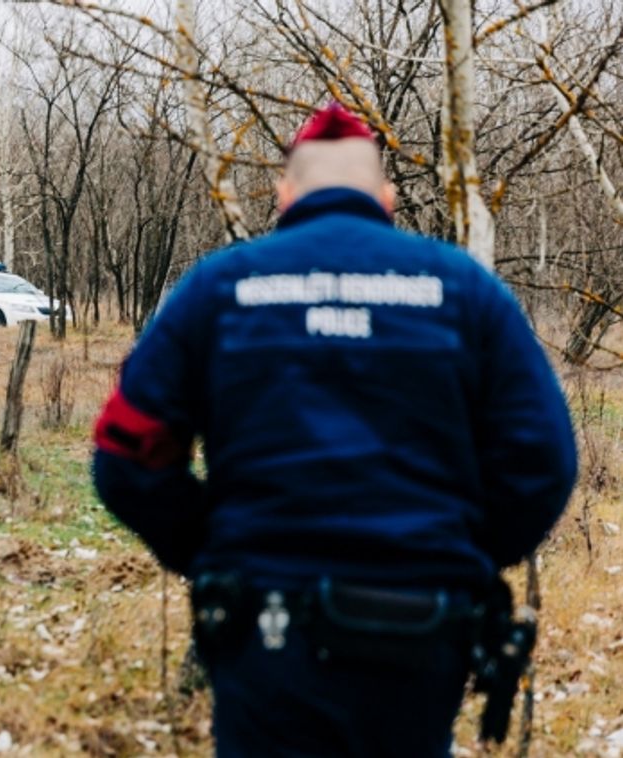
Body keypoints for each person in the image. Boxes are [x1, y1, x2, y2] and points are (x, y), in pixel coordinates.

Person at [92, 103, 576, 757]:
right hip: (419, 632)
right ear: (385, 196)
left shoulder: (220, 288)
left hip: (262, 630)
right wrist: (457, 556)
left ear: (284, 193)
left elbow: (126, 448)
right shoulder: (461, 289)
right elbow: (542, 459)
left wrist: (211, 547)